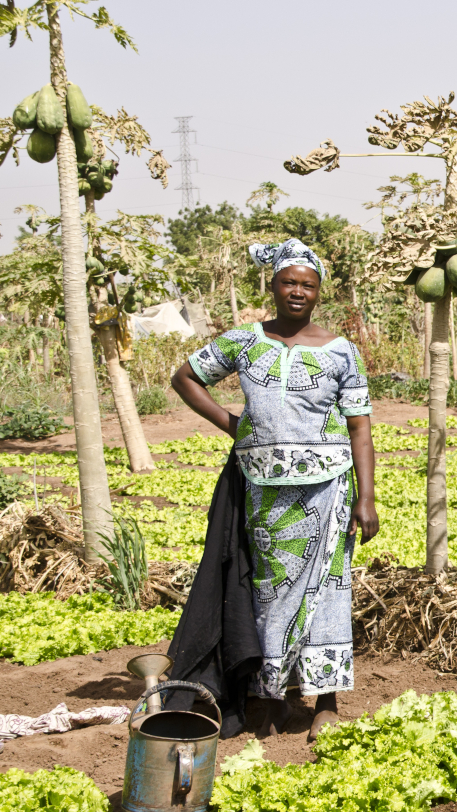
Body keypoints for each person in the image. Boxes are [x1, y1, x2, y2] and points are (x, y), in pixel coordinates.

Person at [171, 238, 379, 741]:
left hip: (325, 488)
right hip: (262, 489)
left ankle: (325, 700)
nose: (297, 292)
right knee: (268, 590)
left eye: (308, 285)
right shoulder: (244, 342)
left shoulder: (340, 351)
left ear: (319, 293)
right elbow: (185, 378)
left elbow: (360, 427)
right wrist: (233, 425)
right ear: (273, 285)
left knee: (329, 588)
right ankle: (273, 694)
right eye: (289, 282)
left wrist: (365, 497)